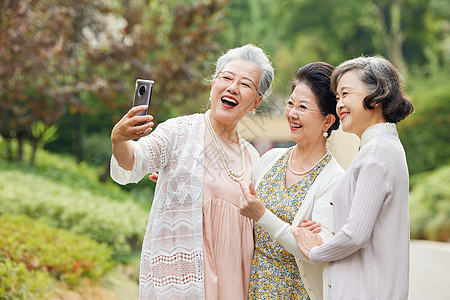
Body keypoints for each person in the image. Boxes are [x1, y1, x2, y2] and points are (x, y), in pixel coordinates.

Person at [110, 44, 274, 299]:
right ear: (213, 85)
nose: (232, 87)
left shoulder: (252, 157)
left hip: (234, 283)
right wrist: (119, 140)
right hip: (183, 284)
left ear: (256, 102)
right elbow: (133, 161)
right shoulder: (179, 132)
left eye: (245, 84)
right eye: (227, 78)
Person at [291, 56, 414, 299]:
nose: (339, 104)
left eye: (346, 94)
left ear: (378, 95)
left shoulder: (376, 153)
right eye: (337, 97)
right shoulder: (382, 147)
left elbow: (354, 235)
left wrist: (315, 250)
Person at [238, 62, 345, 300]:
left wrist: (262, 215)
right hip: (252, 290)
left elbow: (315, 251)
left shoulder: (335, 180)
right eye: (290, 104)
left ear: (327, 121)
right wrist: (182, 178)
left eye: (303, 107)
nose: (292, 114)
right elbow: (235, 194)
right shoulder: (270, 159)